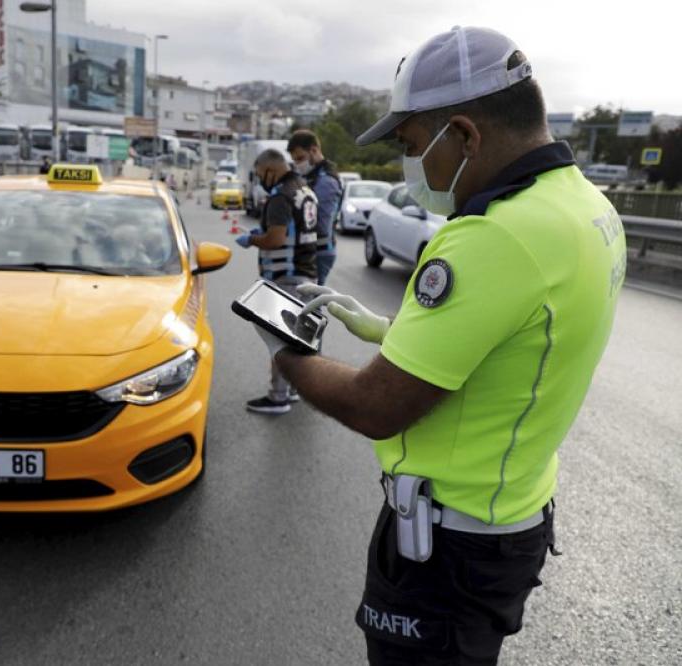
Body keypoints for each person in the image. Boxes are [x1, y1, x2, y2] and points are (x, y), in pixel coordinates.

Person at [247, 26, 626, 664]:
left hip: (446, 546)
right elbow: (505, 342)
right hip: (512, 519)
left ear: (466, 134)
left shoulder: (493, 236)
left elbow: (376, 406)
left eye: (412, 144)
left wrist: (288, 355)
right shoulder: (587, 207)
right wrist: (375, 326)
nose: (409, 163)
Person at [235, 148, 319, 415]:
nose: (261, 180)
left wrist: (252, 239)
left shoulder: (280, 197)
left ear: (271, 169)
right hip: (308, 274)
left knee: (279, 341)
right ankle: (294, 390)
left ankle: (278, 397)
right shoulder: (304, 189)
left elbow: (276, 239)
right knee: (298, 340)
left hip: (287, 277)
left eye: (261, 175)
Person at [288, 129, 342, 285]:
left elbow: (319, 224)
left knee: (309, 301)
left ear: (314, 150)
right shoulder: (311, 176)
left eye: (300, 158)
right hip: (310, 250)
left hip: (319, 251)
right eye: (295, 160)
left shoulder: (326, 181)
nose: (298, 164)